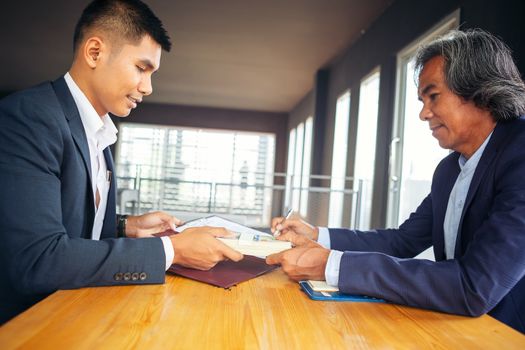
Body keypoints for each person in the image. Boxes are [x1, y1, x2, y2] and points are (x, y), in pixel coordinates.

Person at [266, 29, 525, 333]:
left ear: (480, 90)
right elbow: (402, 242)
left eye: (433, 96)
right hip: (458, 328)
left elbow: (474, 286)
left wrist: (330, 265)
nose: (423, 113)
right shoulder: (449, 170)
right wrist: (316, 234)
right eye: (421, 100)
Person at [0, 0, 243, 324]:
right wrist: (173, 251)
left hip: (79, 314)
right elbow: (38, 259)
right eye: (141, 68)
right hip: (28, 326)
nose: (148, 87)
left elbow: (66, 218)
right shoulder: (30, 118)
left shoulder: (99, 131)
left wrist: (124, 226)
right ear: (95, 53)